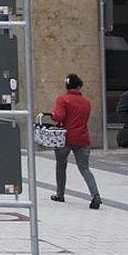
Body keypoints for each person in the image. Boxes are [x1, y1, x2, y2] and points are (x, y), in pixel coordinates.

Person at [46, 73, 102, 209]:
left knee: (61, 165)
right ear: (79, 86)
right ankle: (95, 195)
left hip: (65, 138)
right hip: (82, 138)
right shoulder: (86, 102)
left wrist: (52, 116)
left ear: (67, 86)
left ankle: (60, 194)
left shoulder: (63, 100)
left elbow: (59, 117)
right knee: (85, 168)